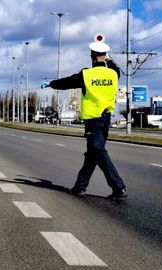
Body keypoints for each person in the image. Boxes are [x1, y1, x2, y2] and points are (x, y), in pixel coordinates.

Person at [47, 34, 127, 201]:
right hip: (106, 119)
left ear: (91, 56)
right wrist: (107, 54)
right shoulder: (114, 74)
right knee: (93, 154)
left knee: (98, 152)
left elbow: (65, 83)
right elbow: (114, 66)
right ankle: (80, 186)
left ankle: (118, 187)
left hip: (93, 120)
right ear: (105, 56)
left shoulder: (86, 75)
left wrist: (52, 83)